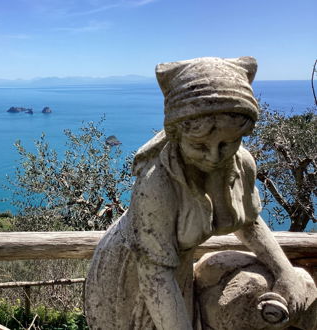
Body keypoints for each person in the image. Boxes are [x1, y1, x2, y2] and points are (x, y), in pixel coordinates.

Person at [85, 57, 312, 330]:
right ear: (176, 136)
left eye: (228, 143)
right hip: (132, 275)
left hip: (174, 273)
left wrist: (284, 271)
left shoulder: (241, 163)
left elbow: (249, 222)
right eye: (200, 145)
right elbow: (155, 275)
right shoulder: (157, 182)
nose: (214, 157)